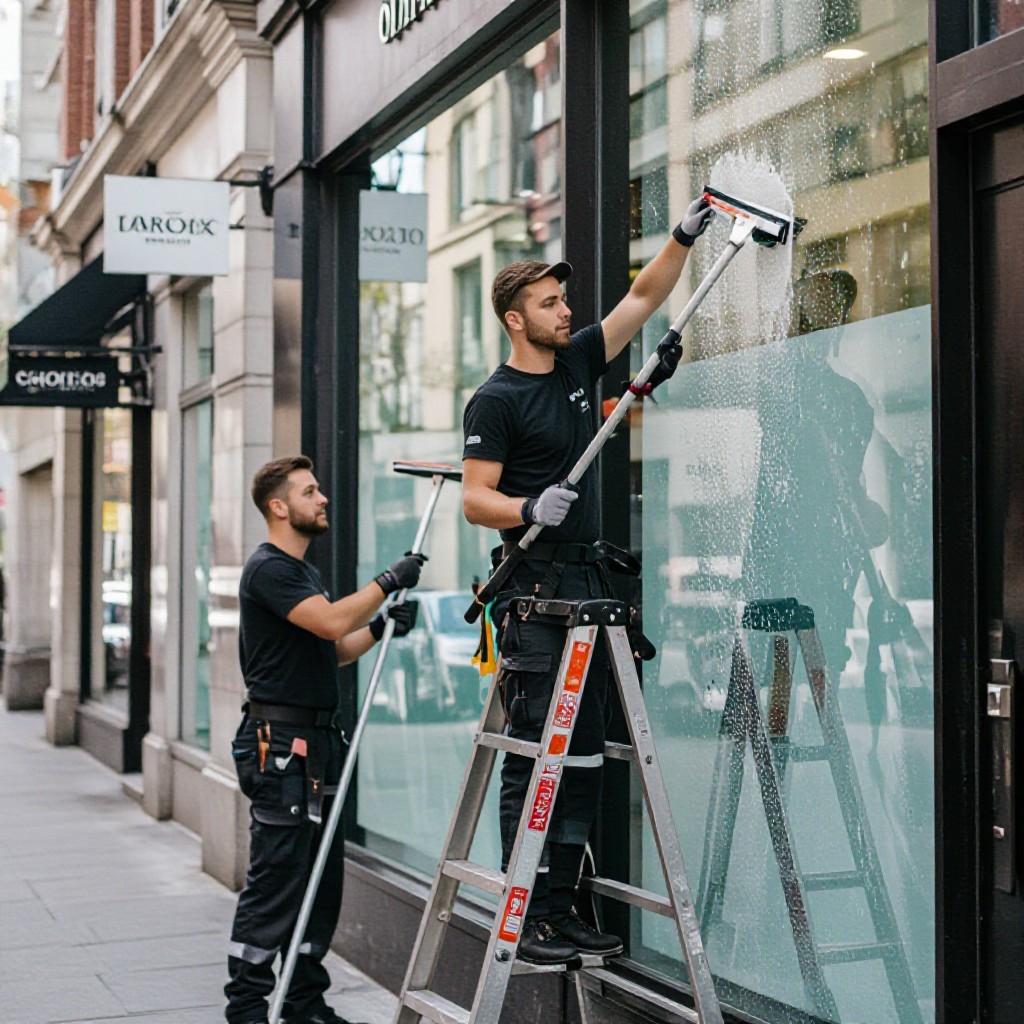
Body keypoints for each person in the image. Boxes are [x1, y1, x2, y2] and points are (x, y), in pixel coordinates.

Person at [461, 196, 714, 966]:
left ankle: (563, 906)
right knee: (535, 756)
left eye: (564, 298)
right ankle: (528, 913)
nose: (565, 310)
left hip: (591, 595)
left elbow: (642, 298)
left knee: (582, 759)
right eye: (549, 301)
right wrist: (527, 504)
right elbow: (476, 498)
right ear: (515, 318)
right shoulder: (496, 399)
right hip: (536, 603)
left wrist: (679, 238)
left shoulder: (576, 363)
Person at [225, 455, 424, 1024]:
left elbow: (333, 647)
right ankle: (245, 1009)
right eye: (311, 491)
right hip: (282, 747)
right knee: (277, 883)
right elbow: (332, 622)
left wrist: (380, 627)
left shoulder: (301, 575)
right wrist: (386, 583)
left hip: (314, 745)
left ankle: (302, 1003)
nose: (324, 498)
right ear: (278, 507)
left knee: (319, 883)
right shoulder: (269, 568)